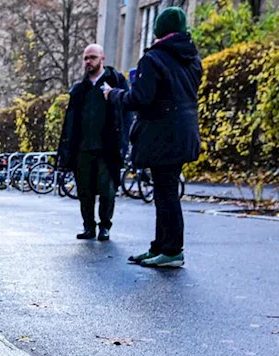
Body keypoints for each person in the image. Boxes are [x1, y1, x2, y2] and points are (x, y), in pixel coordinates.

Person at [105, 7, 202, 268]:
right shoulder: (192, 59)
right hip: (185, 132)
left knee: (166, 192)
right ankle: (160, 246)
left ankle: (171, 250)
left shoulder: (154, 59)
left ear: (159, 29)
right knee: (164, 190)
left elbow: (140, 99)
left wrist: (114, 94)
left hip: (162, 134)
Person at [56, 44, 130, 242]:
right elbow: (70, 121)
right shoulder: (79, 89)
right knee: (85, 191)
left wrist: (124, 141)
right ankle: (88, 226)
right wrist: (67, 148)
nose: (89, 61)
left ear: (102, 58)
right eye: (86, 58)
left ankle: (105, 226)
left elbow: (126, 112)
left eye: (93, 57)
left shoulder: (116, 82)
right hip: (83, 148)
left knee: (107, 190)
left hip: (107, 147)